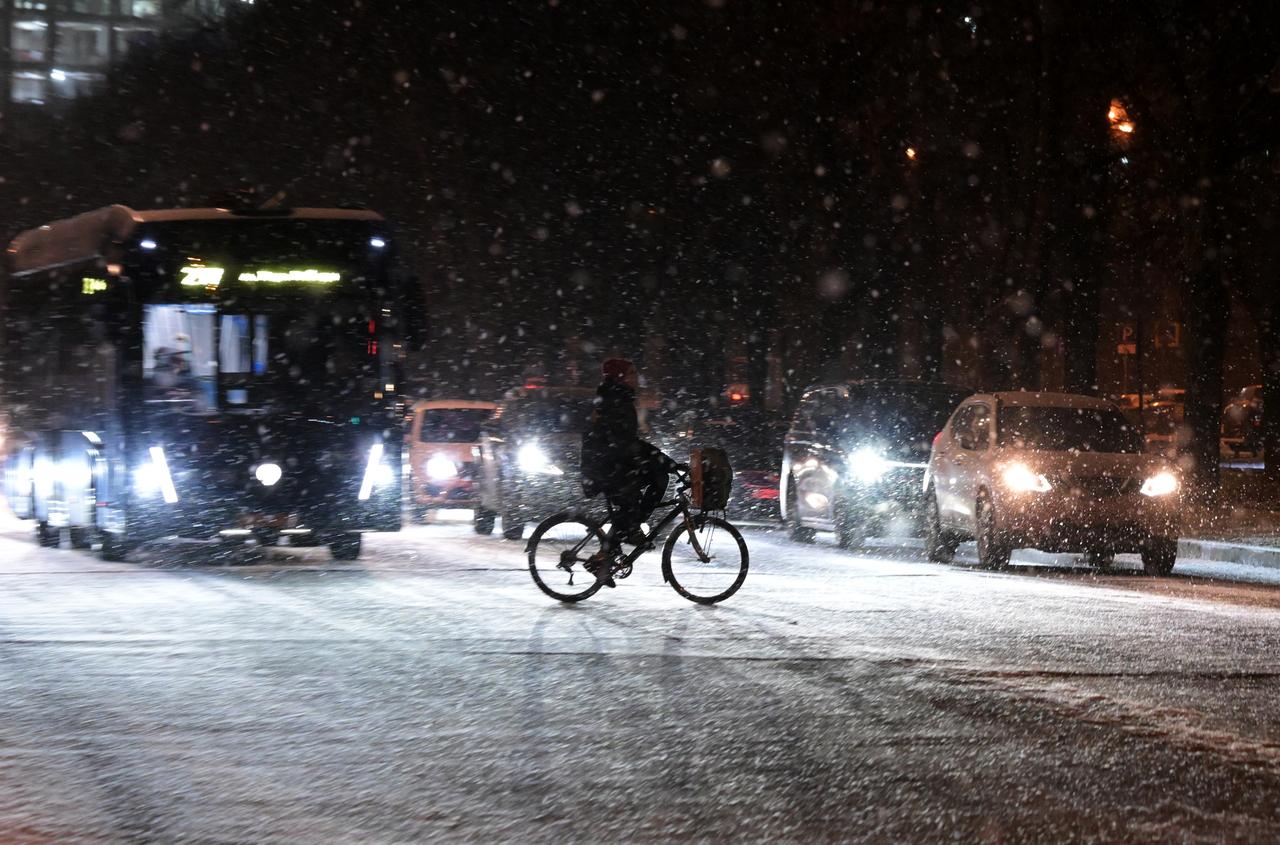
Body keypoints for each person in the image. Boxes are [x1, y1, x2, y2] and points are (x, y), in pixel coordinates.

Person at [580, 358, 680, 586]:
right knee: (634, 500)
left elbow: (627, 443)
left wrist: (661, 460)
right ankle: (605, 557)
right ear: (620, 377)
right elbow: (625, 444)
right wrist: (661, 459)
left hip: (611, 466)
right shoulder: (614, 401)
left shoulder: (618, 399)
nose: (637, 377)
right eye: (632, 373)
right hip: (606, 469)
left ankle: (628, 531)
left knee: (658, 479)